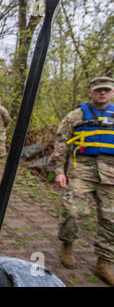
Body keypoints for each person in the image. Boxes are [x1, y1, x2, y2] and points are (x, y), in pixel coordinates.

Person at [50, 76, 113, 286]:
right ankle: (67, 245)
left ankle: (104, 262)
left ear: (112, 92)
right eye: (98, 90)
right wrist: (59, 170)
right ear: (91, 92)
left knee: (111, 219)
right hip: (82, 170)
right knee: (73, 211)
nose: (102, 93)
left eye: (106, 90)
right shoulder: (76, 116)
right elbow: (61, 143)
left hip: (111, 173)